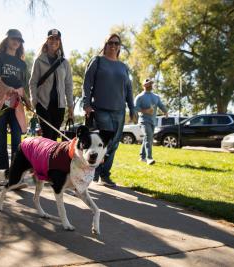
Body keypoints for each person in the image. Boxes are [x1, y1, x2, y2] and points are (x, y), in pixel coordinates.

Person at [82, 33, 134, 187]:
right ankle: (95, 172)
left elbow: (128, 89)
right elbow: (87, 83)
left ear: (119, 47)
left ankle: (103, 174)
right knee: (105, 142)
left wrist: (132, 107)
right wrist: (86, 104)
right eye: (110, 43)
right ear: (105, 45)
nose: (113, 46)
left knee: (114, 144)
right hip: (101, 109)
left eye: (117, 43)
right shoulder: (97, 61)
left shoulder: (123, 67)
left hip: (119, 110)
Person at [0, 29, 29, 170]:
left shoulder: (22, 65)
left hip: (16, 104)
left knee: (17, 140)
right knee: (2, 140)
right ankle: (4, 171)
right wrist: (7, 88)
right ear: (7, 40)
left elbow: (22, 87)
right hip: (0, 103)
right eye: (13, 39)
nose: (16, 41)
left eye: (19, 40)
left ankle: (15, 174)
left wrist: (28, 102)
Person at [29, 29, 73, 140]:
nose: (54, 41)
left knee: (54, 137)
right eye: (51, 38)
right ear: (47, 41)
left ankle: (49, 157)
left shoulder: (64, 63)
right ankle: (44, 157)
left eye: (57, 39)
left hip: (59, 106)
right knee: (47, 134)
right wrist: (34, 101)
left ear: (60, 42)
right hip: (42, 104)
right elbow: (33, 82)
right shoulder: (39, 60)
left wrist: (71, 106)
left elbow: (68, 85)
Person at [134, 78, 168, 165]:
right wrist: (145, 111)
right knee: (148, 136)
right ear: (144, 86)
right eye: (148, 84)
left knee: (147, 138)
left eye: (150, 84)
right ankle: (149, 158)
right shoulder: (139, 97)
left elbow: (161, 105)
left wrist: (165, 112)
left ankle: (142, 157)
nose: (150, 85)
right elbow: (135, 108)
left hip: (153, 121)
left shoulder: (156, 97)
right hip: (143, 121)